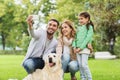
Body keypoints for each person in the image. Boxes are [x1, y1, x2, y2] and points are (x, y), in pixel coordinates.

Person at [72, 12, 94, 80]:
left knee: (84, 65)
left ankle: (89, 78)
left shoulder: (89, 27)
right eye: (79, 19)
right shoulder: (79, 28)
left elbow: (87, 38)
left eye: (81, 19)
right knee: (80, 65)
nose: (80, 20)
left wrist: (81, 48)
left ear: (87, 18)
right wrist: (74, 47)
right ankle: (83, 78)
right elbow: (75, 38)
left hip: (84, 49)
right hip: (77, 49)